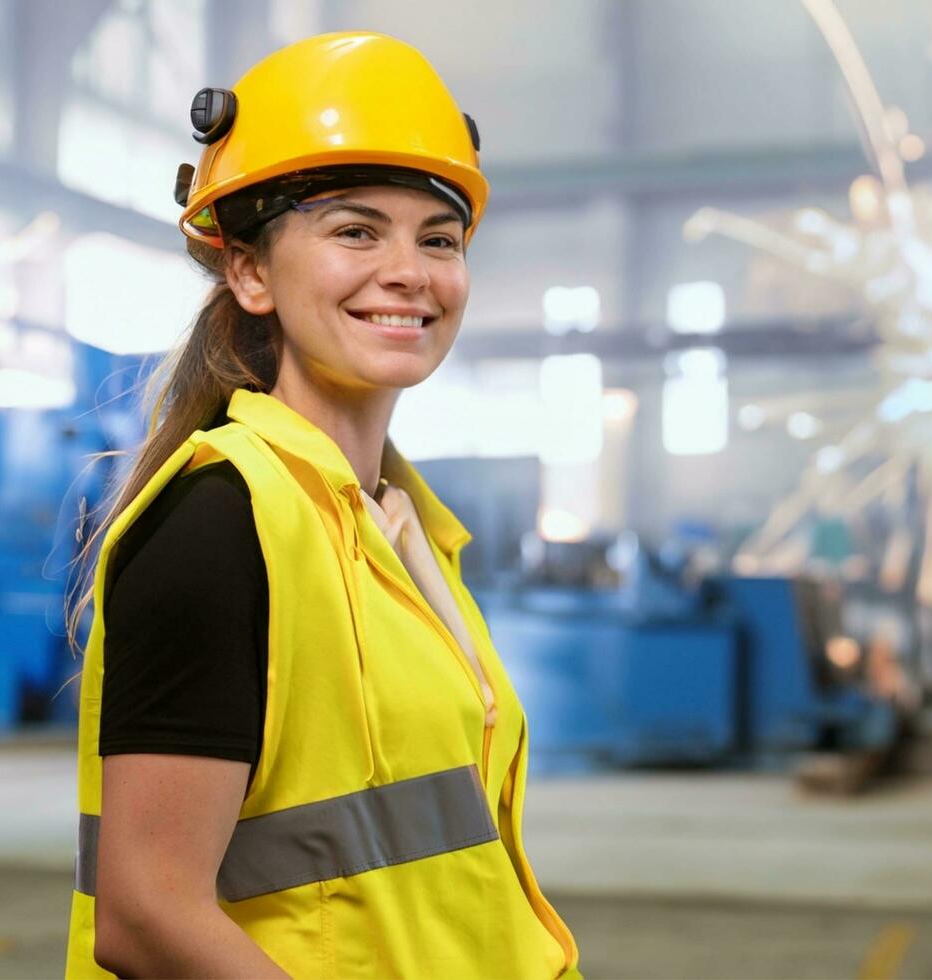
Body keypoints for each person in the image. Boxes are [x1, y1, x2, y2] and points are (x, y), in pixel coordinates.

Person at [63, 32, 581, 979]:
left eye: (439, 239)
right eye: (354, 231)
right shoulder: (222, 522)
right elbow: (146, 916)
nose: (409, 272)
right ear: (250, 273)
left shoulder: (398, 530)